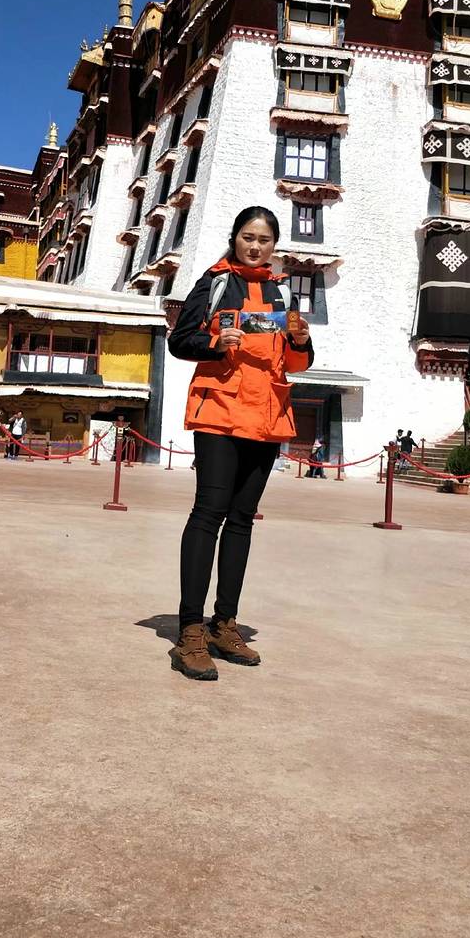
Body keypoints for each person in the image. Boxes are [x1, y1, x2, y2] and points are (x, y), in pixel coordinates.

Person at [167, 205, 313, 681]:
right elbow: (180, 340)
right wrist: (215, 343)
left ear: (274, 246)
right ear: (235, 238)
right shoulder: (214, 283)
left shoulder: (281, 290)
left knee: (243, 520)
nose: (255, 246)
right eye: (248, 237)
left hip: (267, 416)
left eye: (264, 240)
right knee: (208, 513)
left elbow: (295, 362)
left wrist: (301, 341)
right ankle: (190, 630)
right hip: (220, 412)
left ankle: (224, 624)